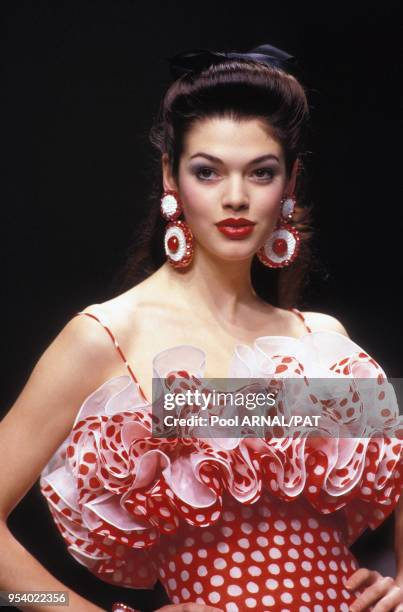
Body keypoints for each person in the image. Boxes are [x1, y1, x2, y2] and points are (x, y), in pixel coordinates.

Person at [0, 42, 402, 612]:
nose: (235, 198)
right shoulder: (109, 336)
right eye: (207, 172)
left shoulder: (318, 343)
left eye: (260, 172)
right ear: (171, 176)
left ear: (289, 183)